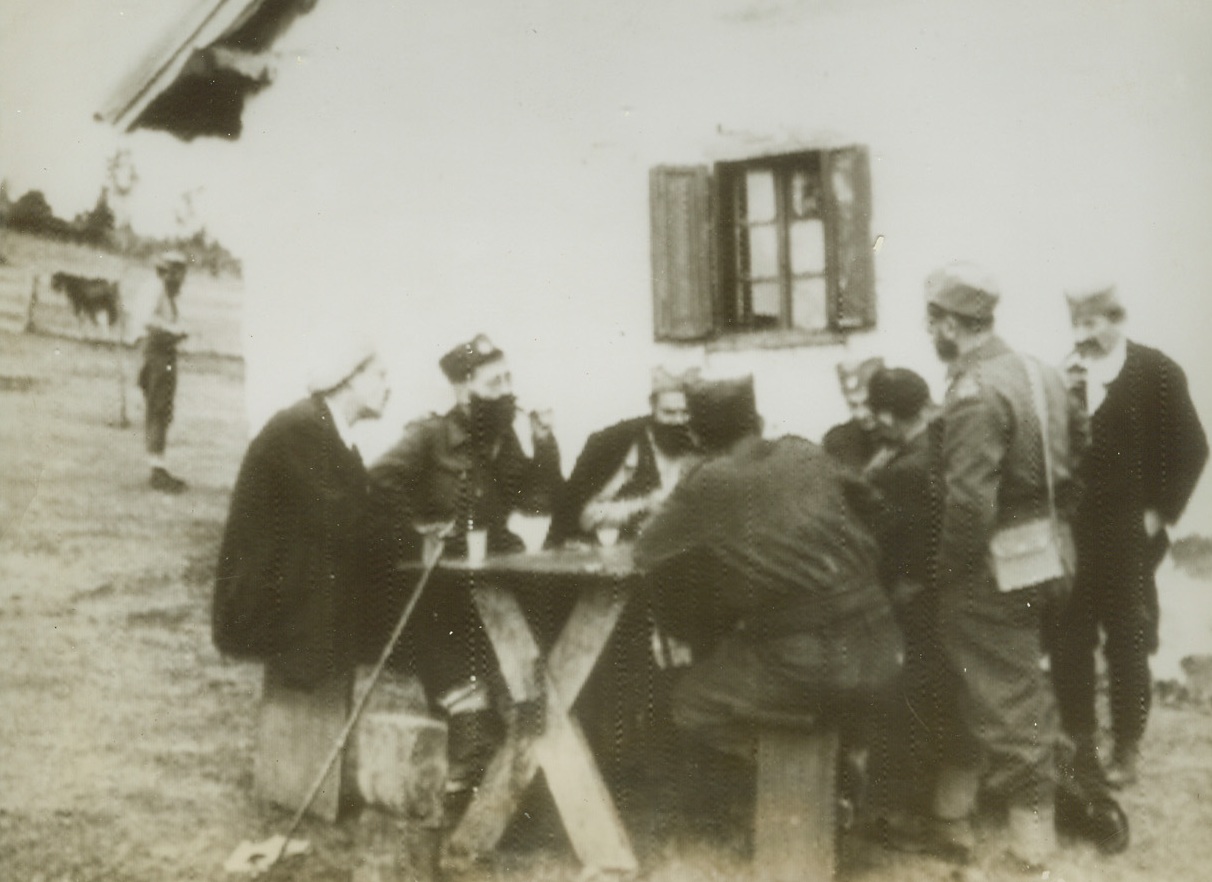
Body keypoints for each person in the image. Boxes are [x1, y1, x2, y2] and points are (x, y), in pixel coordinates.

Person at [632, 375, 903, 769]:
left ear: (697, 436)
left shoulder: (708, 481)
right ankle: (841, 761)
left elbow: (645, 550)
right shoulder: (804, 451)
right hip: (882, 643)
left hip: (808, 659)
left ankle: (809, 773)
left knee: (692, 701)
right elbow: (877, 509)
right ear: (757, 420)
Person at [920, 262, 1085, 871]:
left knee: (1007, 693)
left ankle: (1031, 841)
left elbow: (968, 504)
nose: (930, 334)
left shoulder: (975, 390)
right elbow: (1081, 450)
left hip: (990, 564)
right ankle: (952, 811)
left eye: (931, 323)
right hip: (1048, 548)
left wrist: (945, 570)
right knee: (983, 677)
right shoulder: (1041, 373)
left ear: (947, 324)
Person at [367, 333, 563, 789]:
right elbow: (377, 483)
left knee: (539, 657)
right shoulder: (428, 436)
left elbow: (538, 500)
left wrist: (545, 444)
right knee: (467, 688)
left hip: (493, 579)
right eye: (495, 383)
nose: (508, 392)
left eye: (510, 379)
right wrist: (420, 530)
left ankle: (522, 756)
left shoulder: (502, 440)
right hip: (438, 586)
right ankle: (467, 772)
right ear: (463, 388)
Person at [211, 335, 391, 814]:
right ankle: (301, 777)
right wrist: (407, 535)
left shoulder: (330, 431)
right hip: (264, 596)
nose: (388, 388)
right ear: (348, 380)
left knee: (372, 584)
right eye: (381, 376)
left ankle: (316, 775)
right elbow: (343, 518)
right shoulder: (302, 428)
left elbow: (361, 508)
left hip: (295, 583)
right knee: (363, 588)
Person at [1050, 283, 1207, 788]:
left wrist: (1158, 516)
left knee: (1127, 638)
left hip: (1131, 533)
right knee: (1069, 635)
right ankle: (1079, 742)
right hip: (1075, 533)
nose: (1083, 335)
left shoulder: (1156, 372)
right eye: (1076, 324)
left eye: (1093, 323)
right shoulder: (1065, 375)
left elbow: (1192, 447)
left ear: (1116, 318)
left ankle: (1127, 747)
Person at [861, 367, 955, 823]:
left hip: (910, 599)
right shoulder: (935, 447)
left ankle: (898, 807)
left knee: (905, 699)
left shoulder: (906, 471)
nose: (871, 422)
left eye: (875, 413)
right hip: (941, 593)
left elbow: (885, 541)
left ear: (889, 415)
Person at [548, 365, 700, 547]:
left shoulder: (698, 448)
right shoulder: (621, 444)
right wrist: (643, 505)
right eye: (668, 413)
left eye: (684, 413)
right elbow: (584, 516)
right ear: (652, 407)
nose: (677, 421)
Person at [132, 250, 189, 492]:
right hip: (155, 352)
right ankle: (156, 470)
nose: (181, 278)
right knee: (158, 408)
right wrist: (174, 330)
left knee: (162, 409)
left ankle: (159, 466)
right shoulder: (155, 288)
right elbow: (146, 320)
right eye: (178, 272)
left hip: (161, 352)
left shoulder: (163, 291)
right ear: (167, 270)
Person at [822, 355, 886, 470]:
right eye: (853, 405)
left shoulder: (903, 433)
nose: (861, 414)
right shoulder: (837, 441)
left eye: (867, 403)